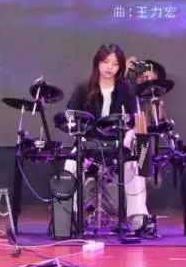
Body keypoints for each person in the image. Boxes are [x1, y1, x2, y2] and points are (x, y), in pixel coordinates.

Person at [65, 43, 154, 237]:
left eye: (114, 63)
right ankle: (69, 216)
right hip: (90, 143)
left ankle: (137, 217)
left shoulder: (126, 90)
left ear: (120, 67)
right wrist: (80, 135)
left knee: (135, 164)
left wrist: (129, 137)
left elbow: (134, 121)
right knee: (70, 164)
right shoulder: (83, 89)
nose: (109, 67)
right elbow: (70, 118)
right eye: (106, 62)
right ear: (97, 63)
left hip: (117, 144)